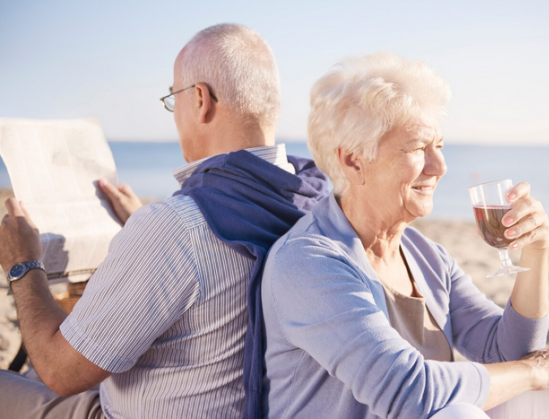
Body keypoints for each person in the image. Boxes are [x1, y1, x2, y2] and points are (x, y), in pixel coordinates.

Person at [259, 53, 549, 418]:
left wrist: (537, 254)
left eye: (438, 146)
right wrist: (536, 372)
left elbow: (509, 352)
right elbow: (410, 392)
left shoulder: (426, 255)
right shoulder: (308, 261)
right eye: (418, 148)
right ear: (354, 160)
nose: (440, 167)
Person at [0, 23, 328, 418]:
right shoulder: (316, 201)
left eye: (174, 98)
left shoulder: (177, 229)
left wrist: (23, 265)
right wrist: (148, 226)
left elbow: (61, 371)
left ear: (202, 100)